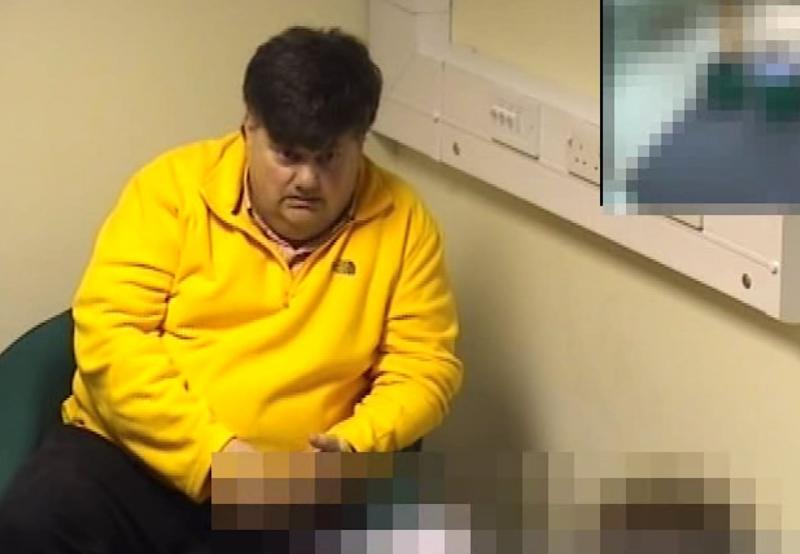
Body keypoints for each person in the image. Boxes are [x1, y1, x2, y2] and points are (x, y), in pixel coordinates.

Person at [0, 26, 463, 553]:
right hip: (132, 457)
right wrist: (215, 457)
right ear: (249, 129)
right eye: (287, 154)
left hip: (292, 484)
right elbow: (111, 338)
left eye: (329, 157)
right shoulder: (171, 190)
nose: (308, 179)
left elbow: (423, 367)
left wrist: (355, 443)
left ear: (360, 142)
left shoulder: (404, 223)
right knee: (33, 522)